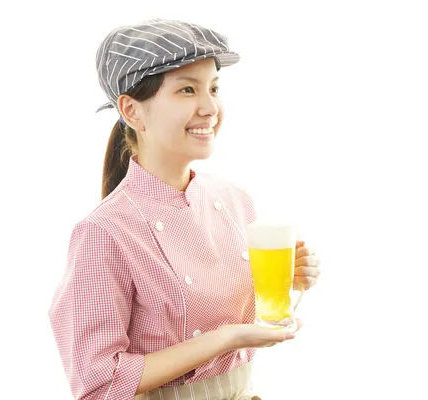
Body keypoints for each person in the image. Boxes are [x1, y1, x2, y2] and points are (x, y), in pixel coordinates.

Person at [48, 18, 321, 400]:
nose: (209, 108)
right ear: (132, 111)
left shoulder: (236, 200)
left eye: (213, 88)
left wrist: (286, 285)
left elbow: (247, 314)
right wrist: (225, 339)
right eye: (187, 90)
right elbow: (99, 380)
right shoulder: (103, 232)